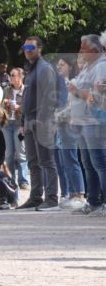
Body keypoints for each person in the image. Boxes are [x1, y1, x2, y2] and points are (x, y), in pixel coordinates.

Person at [18, 36, 60, 211]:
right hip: (28, 122)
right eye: (25, 47)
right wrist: (23, 122)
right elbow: (27, 98)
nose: (27, 50)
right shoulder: (31, 69)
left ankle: (51, 199)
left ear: (39, 49)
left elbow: (49, 98)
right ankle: (35, 197)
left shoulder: (45, 69)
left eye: (31, 47)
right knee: (32, 162)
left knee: (47, 161)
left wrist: (42, 120)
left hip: (41, 122)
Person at [67, 34, 106, 216]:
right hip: (82, 122)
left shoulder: (101, 66)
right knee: (88, 163)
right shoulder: (88, 67)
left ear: (94, 50)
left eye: (83, 48)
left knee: (99, 162)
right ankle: (93, 201)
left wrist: (76, 92)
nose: (80, 51)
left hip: (94, 121)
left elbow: (96, 97)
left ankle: (103, 202)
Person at [54, 57, 86, 210]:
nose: (58, 67)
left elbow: (73, 106)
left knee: (72, 160)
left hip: (71, 126)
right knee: (64, 161)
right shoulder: (61, 83)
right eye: (58, 65)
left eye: (62, 64)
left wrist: (58, 115)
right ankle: (71, 193)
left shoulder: (74, 82)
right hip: (61, 126)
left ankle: (79, 194)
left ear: (69, 66)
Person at [2, 67, 30, 190]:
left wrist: (19, 107)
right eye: (10, 75)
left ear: (21, 77)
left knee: (21, 154)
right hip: (7, 124)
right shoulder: (6, 90)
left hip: (20, 124)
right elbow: (0, 107)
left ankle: (23, 180)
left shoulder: (26, 91)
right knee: (8, 154)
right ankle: (10, 180)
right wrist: (4, 104)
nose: (11, 77)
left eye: (13, 75)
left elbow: (30, 108)